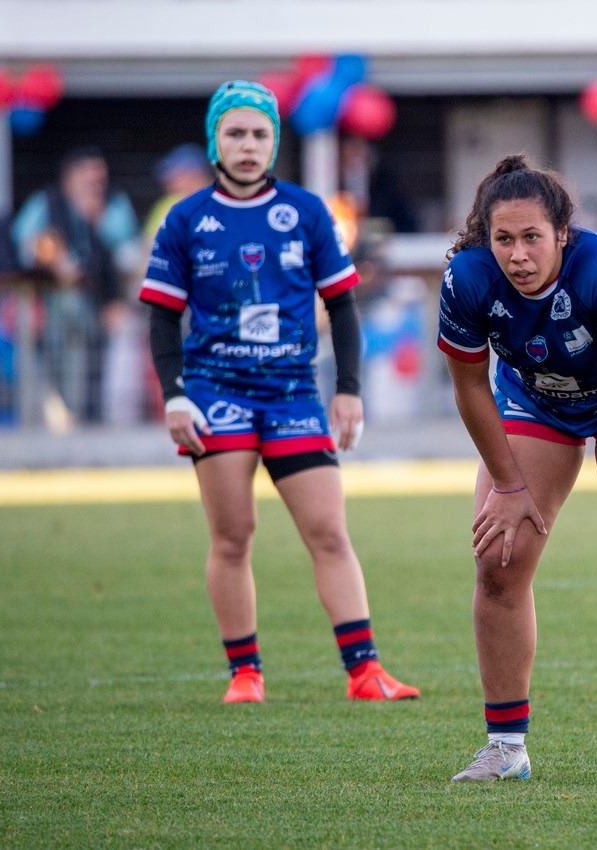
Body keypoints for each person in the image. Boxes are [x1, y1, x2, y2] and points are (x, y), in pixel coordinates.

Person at [138, 80, 419, 705]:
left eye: (259, 134)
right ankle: (246, 673)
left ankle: (365, 671)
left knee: (328, 531)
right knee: (233, 535)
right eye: (235, 133)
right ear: (216, 140)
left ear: (275, 143)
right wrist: (175, 395)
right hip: (216, 393)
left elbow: (342, 307)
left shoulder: (308, 212)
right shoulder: (185, 220)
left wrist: (347, 390)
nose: (247, 145)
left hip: (293, 393)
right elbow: (161, 316)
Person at [438, 154, 597, 782]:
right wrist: (506, 485)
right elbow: (472, 388)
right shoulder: (467, 279)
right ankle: (506, 747)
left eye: (533, 237)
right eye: (504, 239)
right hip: (536, 400)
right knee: (498, 561)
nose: (518, 255)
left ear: (562, 234)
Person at [12, 146, 140, 424]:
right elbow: (23, 245)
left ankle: (99, 420)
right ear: (71, 177)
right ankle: (69, 417)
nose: (97, 185)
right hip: (55, 309)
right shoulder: (46, 203)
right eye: (90, 178)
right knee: (61, 366)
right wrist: (49, 256)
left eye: (100, 179)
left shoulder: (113, 206)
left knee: (104, 367)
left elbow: (129, 257)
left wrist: (98, 223)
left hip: (106, 306)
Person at [142, 144, 215, 243]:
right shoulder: (168, 204)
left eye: (174, 176)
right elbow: (149, 248)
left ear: (194, 175)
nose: (167, 182)